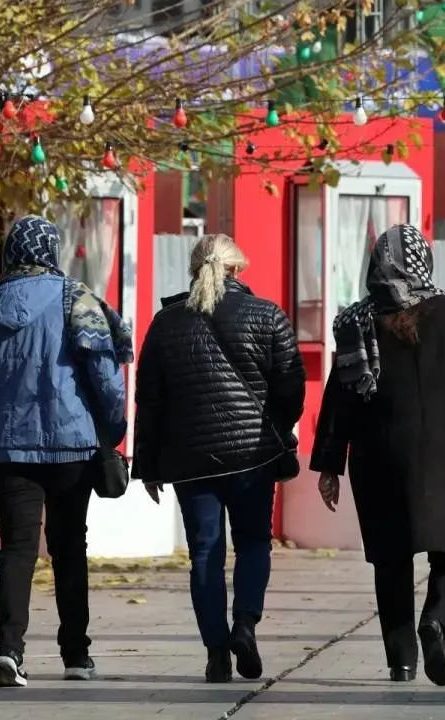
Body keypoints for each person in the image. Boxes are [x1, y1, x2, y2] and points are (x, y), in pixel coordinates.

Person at [310, 225, 445, 687]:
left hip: (377, 457)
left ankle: (401, 661)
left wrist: (328, 465)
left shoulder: (355, 321)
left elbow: (338, 395)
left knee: (391, 559)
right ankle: (437, 621)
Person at [0, 215, 129, 688]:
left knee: (17, 546)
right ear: (51, 251)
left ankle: (9, 651)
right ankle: (76, 657)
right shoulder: (76, 299)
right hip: (72, 445)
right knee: (69, 546)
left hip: (6, 449)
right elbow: (105, 373)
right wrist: (113, 427)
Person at [133, 234, 305, 683]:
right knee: (253, 543)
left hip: (190, 462)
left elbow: (148, 400)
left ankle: (216, 653)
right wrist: (278, 430)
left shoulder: (166, 323)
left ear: (194, 269)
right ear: (237, 269)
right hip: (252, 457)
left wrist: (147, 465)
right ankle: (245, 624)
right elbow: (291, 385)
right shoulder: (266, 315)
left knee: (204, 554)